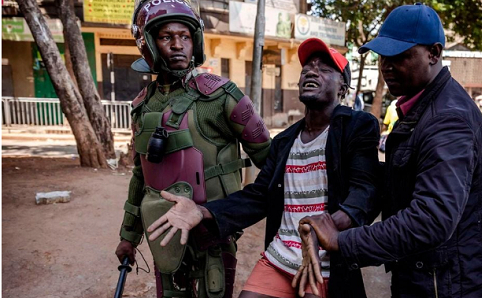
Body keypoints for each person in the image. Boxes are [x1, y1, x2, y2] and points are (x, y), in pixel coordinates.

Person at [296, 3, 482, 298]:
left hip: (454, 285)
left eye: (400, 56)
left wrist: (342, 241)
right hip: (432, 277)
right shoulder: (420, 108)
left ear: (434, 53)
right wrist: (345, 213)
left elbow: (431, 218)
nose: (387, 66)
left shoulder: (447, 119)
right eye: (383, 56)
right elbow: (400, 182)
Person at [146, 38, 381, 298]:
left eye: (325, 69)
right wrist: (203, 211)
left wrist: (323, 227)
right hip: (279, 259)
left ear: (342, 89)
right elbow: (259, 196)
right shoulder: (284, 141)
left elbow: (365, 192)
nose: (312, 72)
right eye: (307, 69)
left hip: (324, 263)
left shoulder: (357, 126)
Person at [114, 0, 271, 298]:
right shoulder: (143, 106)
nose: (177, 45)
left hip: (212, 235)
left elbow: (271, 162)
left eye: (185, 36)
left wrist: (234, 215)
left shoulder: (222, 96)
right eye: (166, 36)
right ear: (147, 42)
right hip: (163, 237)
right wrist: (129, 236)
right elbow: (139, 175)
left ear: (195, 41)